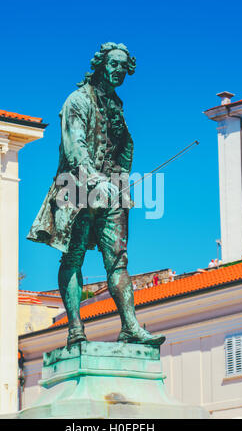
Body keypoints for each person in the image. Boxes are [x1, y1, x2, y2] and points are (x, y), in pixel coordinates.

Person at [27, 42, 165, 347]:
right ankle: (75, 327)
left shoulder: (117, 105)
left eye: (123, 67)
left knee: (118, 260)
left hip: (113, 189)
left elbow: (121, 146)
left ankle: (130, 326)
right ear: (101, 64)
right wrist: (94, 181)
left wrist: (121, 179)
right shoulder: (77, 100)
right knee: (73, 256)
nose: (119, 71)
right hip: (76, 186)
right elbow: (75, 146)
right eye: (113, 64)